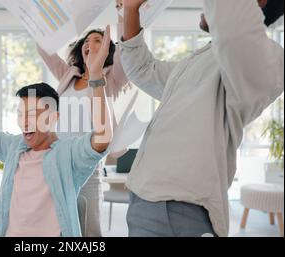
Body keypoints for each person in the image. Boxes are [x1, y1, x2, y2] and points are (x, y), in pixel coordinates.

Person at [119, 0, 284, 237]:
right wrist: (130, 9)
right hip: (145, 202)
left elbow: (233, 30)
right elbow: (142, 69)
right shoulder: (195, 62)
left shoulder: (265, 59)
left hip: (180, 210)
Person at [0, 26, 113, 236]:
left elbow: (102, 138)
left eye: (32, 114)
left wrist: (95, 76)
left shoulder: (67, 155)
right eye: (21, 114)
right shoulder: (14, 147)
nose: (24, 121)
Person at [36, 0, 129, 237]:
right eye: (86, 41)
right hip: (56, 162)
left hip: (86, 166)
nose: (90, 43)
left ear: (108, 48)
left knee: (88, 231)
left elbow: (127, 49)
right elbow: (44, 49)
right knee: (55, 229)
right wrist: (40, 19)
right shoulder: (69, 74)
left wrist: (123, 13)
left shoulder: (112, 76)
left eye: (97, 40)